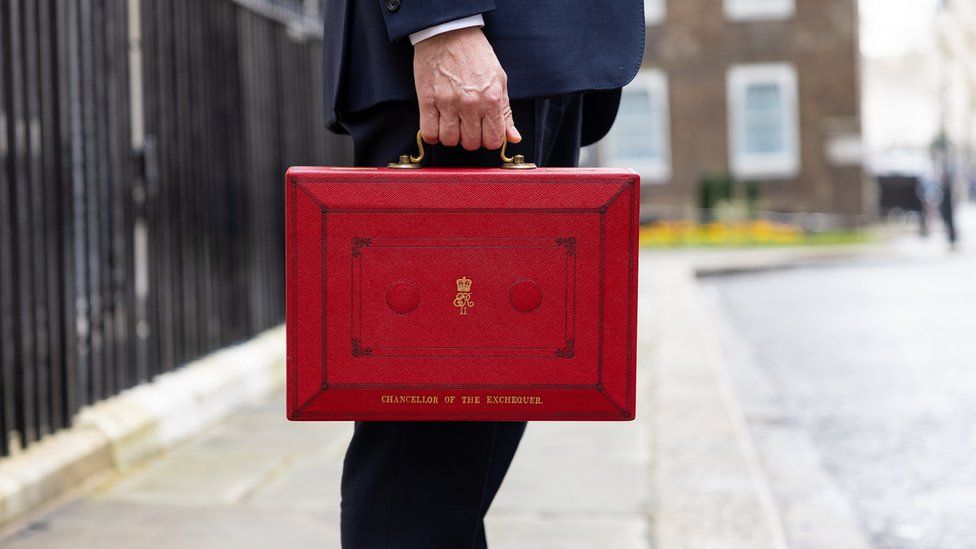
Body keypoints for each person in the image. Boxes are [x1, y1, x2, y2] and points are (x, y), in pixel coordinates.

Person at [321, 1, 644, 546]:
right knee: (416, 495)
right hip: (475, 63)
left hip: (526, 65)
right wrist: (443, 23)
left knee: (450, 488)